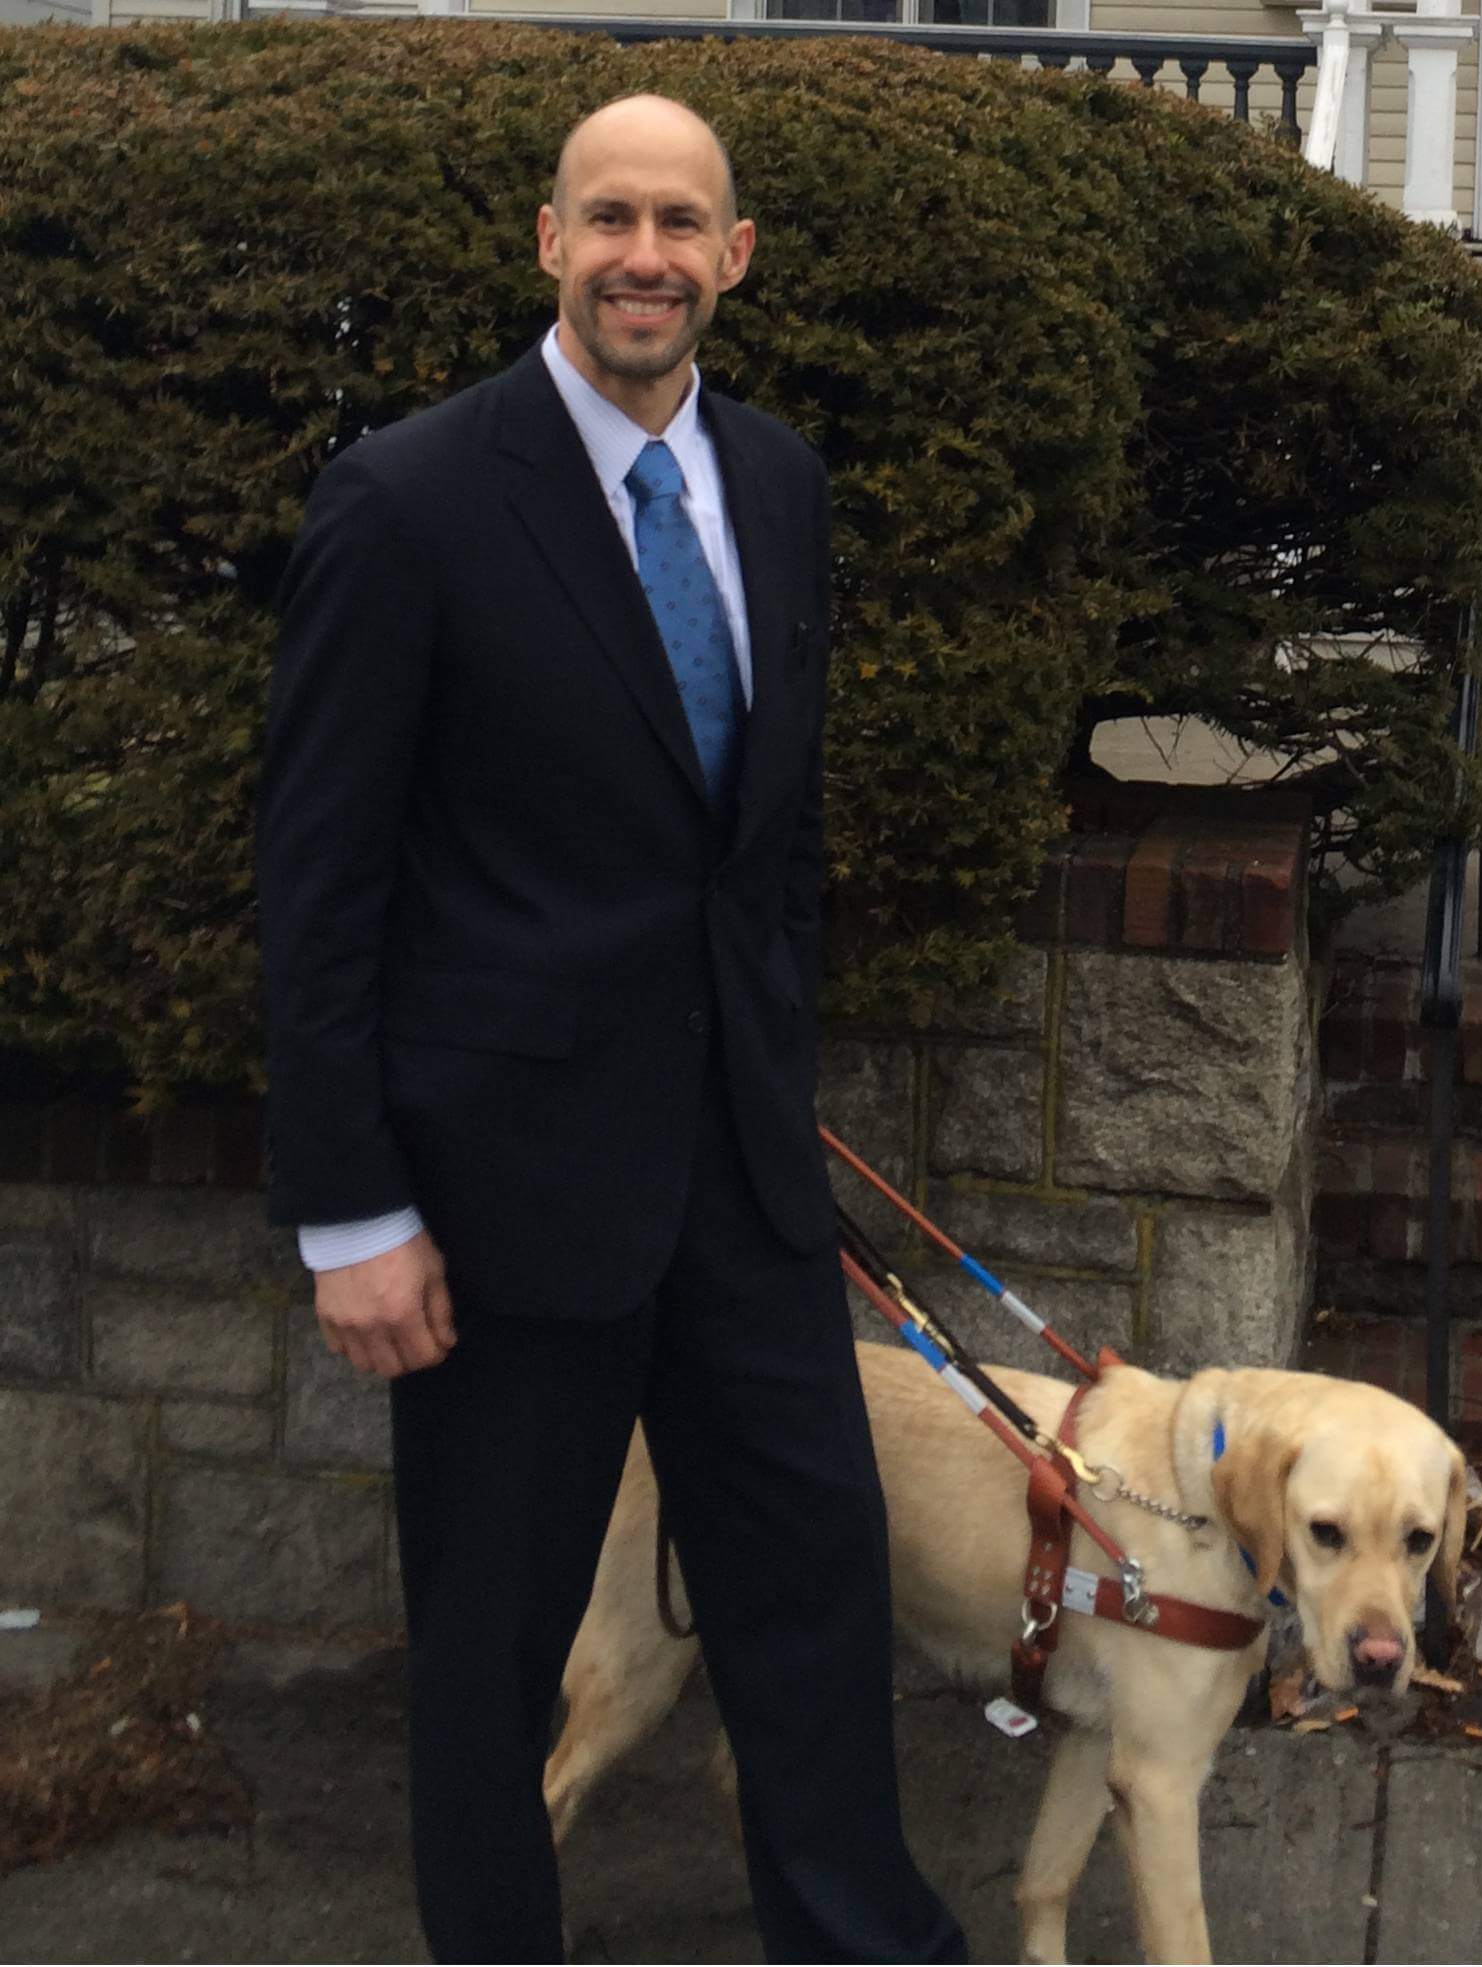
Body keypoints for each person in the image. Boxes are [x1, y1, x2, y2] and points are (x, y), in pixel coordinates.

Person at [257, 93, 966, 1967]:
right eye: (606, 219)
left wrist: (777, 1071)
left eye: (678, 223)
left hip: (738, 1194)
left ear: (732, 258)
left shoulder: (782, 487)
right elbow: (316, 880)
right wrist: (351, 1212)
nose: (640, 255)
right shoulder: (407, 500)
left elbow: (766, 851)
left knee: (812, 1601)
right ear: (548, 241)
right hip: (495, 1216)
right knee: (490, 1651)